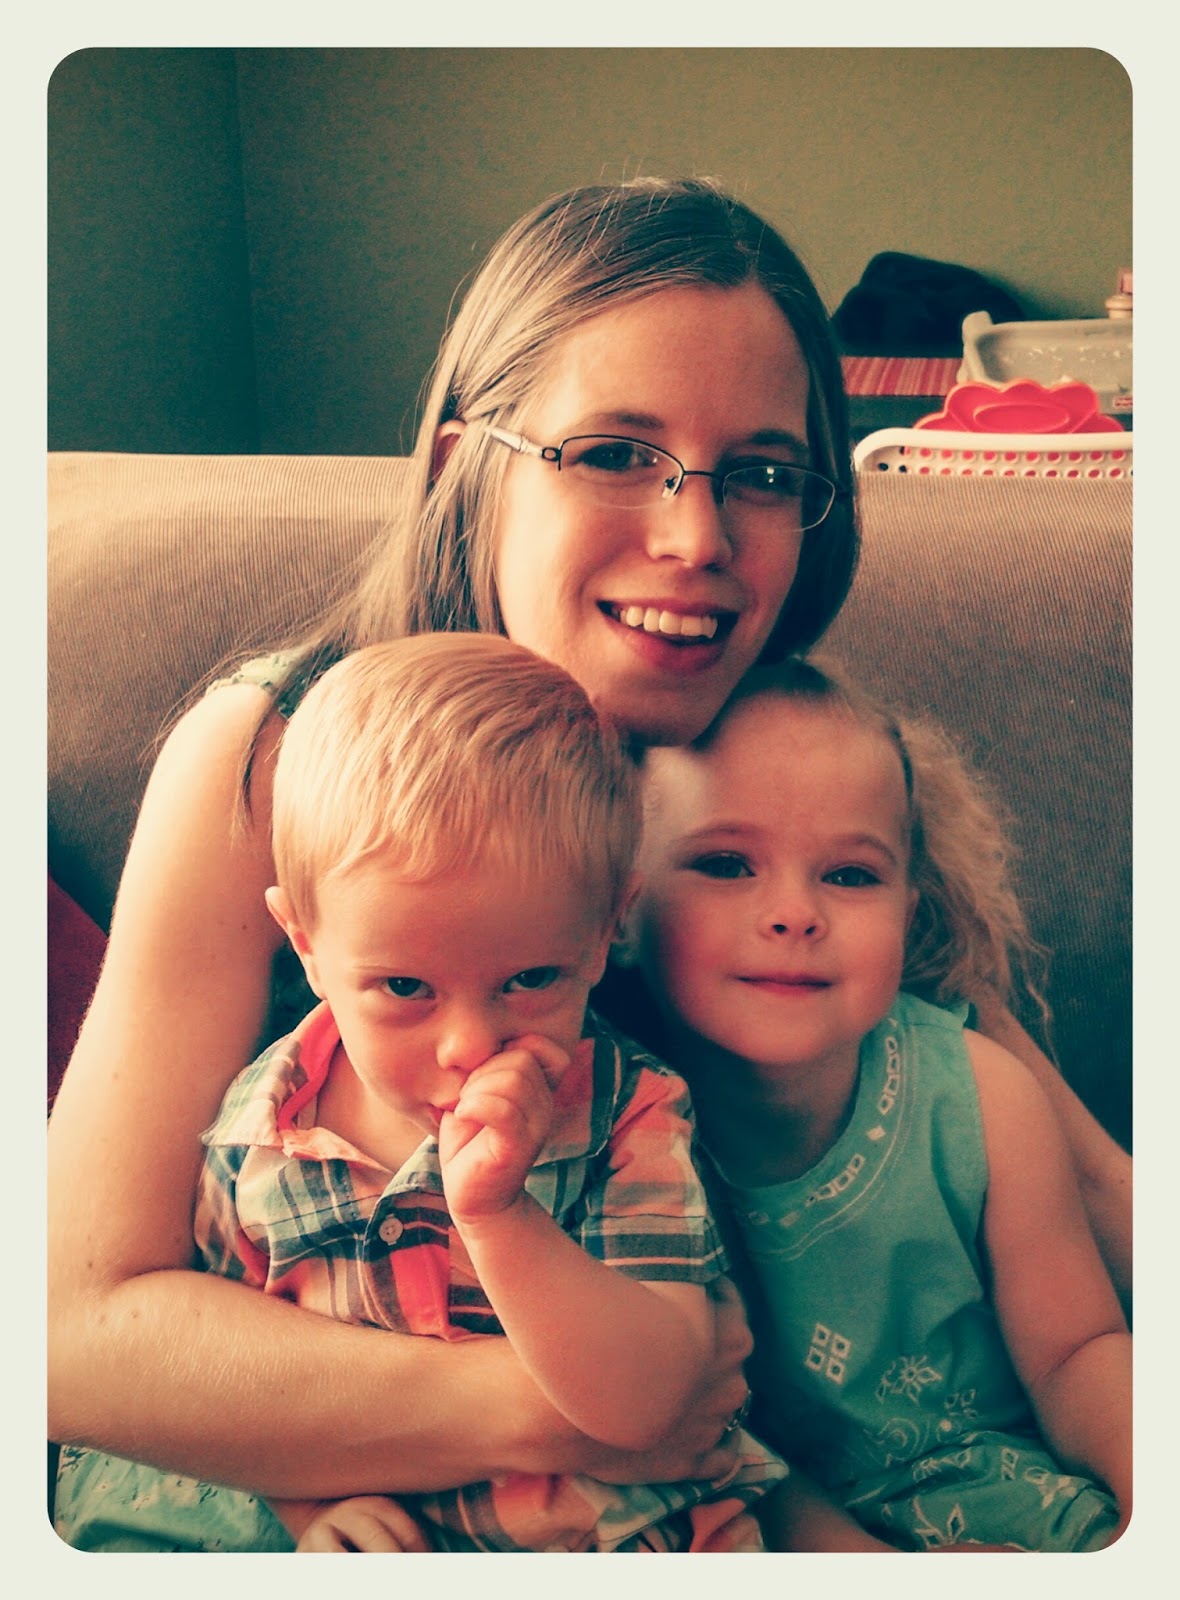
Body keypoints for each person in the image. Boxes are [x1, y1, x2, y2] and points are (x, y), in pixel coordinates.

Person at [48, 175, 1130, 1508]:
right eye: (615, 452)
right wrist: (553, 1408)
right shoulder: (275, 749)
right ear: (466, 469)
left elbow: (1087, 1179)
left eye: (762, 475)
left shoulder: (786, 770)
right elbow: (70, 1330)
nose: (695, 536)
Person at [55, 633, 791, 1552]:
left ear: (608, 928)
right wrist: (311, 1512)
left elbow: (651, 1403)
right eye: (405, 988)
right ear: (305, 944)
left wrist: (499, 1219)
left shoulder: (627, 1113)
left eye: (531, 980)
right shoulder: (260, 1133)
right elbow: (224, 1402)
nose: (469, 1045)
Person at [623, 656, 1131, 1552]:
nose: (795, 912)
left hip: (1019, 1501)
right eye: (727, 864)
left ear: (909, 903)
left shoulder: (982, 1097)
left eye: (852, 876)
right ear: (619, 910)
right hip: (772, 1530)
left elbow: (1077, 1351)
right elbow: (718, 1446)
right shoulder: (614, 1137)